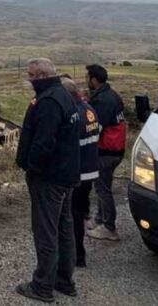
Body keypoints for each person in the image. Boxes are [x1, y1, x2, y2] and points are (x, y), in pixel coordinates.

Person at [14, 59, 81, 302]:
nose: (29, 80)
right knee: (63, 228)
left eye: (31, 75)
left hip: (49, 178)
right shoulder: (63, 94)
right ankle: (64, 281)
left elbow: (44, 144)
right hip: (66, 173)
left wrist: (32, 168)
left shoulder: (49, 102)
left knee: (46, 232)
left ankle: (42, 286)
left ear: (41, 76)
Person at [85, 64, 126, 242]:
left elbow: (95, 128)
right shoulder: (112, 95)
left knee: (103, 189)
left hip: (106, 151)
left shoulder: (102, 100)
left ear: (93, 79)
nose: (87, 81)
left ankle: (109, 228)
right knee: (102, 186)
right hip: (116, 150)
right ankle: (100, 220)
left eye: (88, 78)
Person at [63, 75, 100, 267]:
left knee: (73, 214)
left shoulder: (73, 114)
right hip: (91, 169)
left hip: (78, 172)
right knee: (79, 210)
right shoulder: (89, 109)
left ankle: (77, 255)